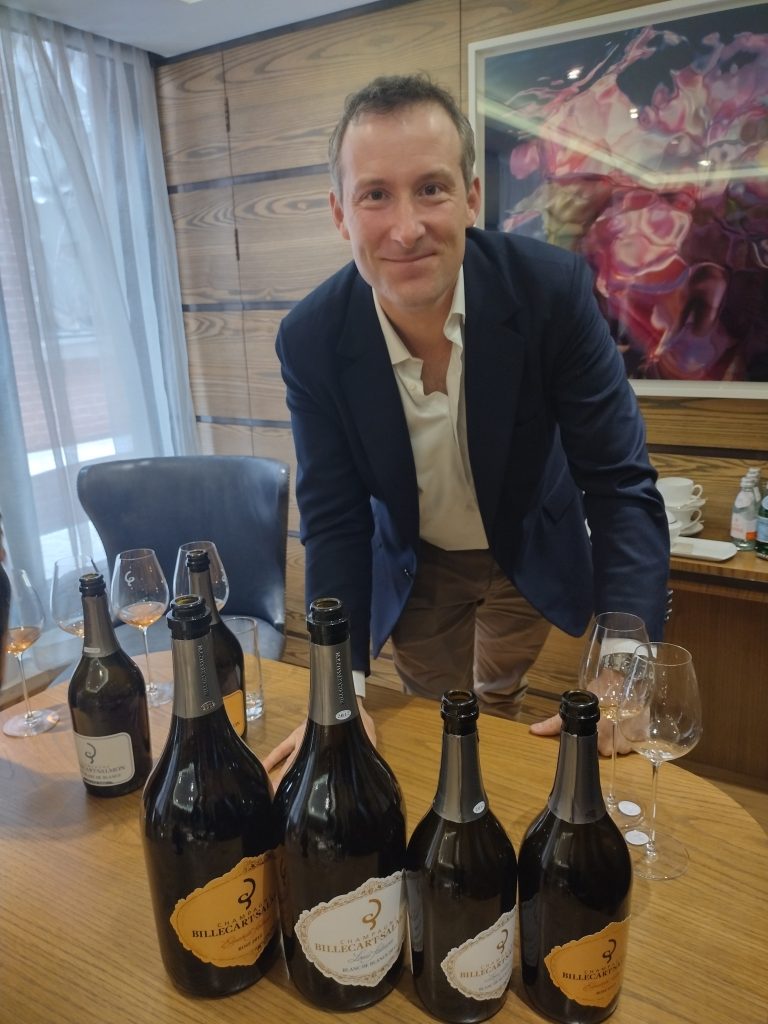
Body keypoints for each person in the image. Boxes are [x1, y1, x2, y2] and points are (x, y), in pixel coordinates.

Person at [263, 73, 669, 777]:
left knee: (500, 696)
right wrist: (336, 692)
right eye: (375, 195)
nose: (406, 228)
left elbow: (619, 485)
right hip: (416, 560)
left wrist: (625, 671)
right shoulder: (311, 339)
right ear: (340, 213)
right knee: (437, 716)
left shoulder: (551, 293)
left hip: (527, 541)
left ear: (472, 197)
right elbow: (333, 519)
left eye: (431, 188)